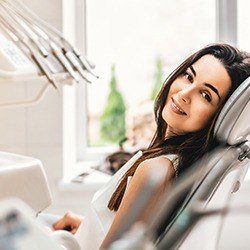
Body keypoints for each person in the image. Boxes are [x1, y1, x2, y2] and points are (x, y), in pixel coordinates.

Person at [52, 44, 250, 249]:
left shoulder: (157, 170)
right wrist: (86, 228)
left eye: (206, 95)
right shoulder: (180, 163)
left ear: (218, 117)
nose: (185, 93)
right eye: (189, 77)